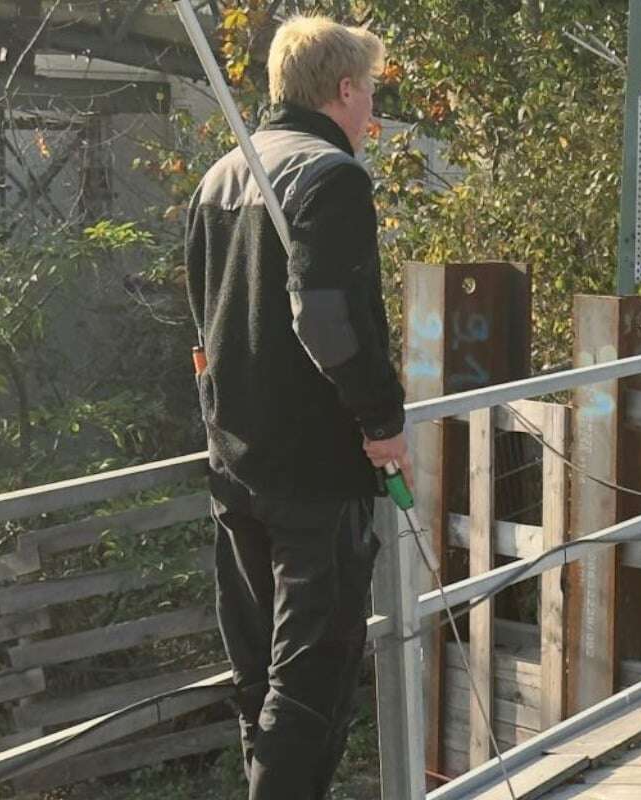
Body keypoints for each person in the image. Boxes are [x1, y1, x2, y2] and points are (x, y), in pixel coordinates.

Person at [184, 14, 411, 799]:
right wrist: (382, 422)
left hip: (234, 467)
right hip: (315, 470)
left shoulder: (219, 176)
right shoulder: (331, 175)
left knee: (261, 685)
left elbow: (200, 327)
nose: (371, 107)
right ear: (344, 90)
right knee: (313, 686)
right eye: (370, 90)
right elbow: (323, 318)